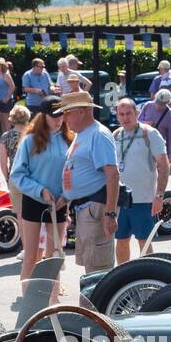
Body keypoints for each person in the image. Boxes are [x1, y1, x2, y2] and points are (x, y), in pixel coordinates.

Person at [58, 90, 120, 274]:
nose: (64, 117)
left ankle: (97, 303)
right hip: (86, 208)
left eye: (67, 112)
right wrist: (65, 198)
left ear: (82, 111)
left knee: (98, 269)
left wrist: (109, 213)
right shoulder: (83, 133)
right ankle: (92, 302)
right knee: (91, 266)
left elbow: (113, 175)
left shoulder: (98, 134)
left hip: (96, 209)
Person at [10, 97, 72, 281]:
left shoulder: (69, 139)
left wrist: (67, 196)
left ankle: (52, 298)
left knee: (54, 254)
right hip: (34, 200)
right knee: (30, 256)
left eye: (61, 115)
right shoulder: (30, 140)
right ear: (43, 116)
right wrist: (40, 190)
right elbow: (17, 174)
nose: (58, 120)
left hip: (59, 202)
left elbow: (74, 173)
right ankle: (27, 298)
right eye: (54, 116)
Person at [111, 97, 170, 265]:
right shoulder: (115, 135)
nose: (125, 118)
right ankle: (122, 277)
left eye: (128, 113)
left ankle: (146, 277)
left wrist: (159, 195)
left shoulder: (149, 133)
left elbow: (164, 166)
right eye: (121, 114)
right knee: (121, 240)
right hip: (120, 200)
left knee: (144, 241)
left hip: (143, 199)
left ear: (137, 113)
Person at [0, 102, 31, 219]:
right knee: (33, 216)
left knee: (20, 215)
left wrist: (7, 179)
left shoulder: (5, 136)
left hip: (15, 177)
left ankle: (23, 238)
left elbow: (3, 163)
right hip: (32, 177)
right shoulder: (33, 135)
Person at [139, 89, 171, 170]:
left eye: (162, 104)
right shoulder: (147, 105)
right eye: (157, 102)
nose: (159, 106)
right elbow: (137, 122)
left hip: (158, 147)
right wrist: (145, 123)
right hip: (142, 144)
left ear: (168, 103)